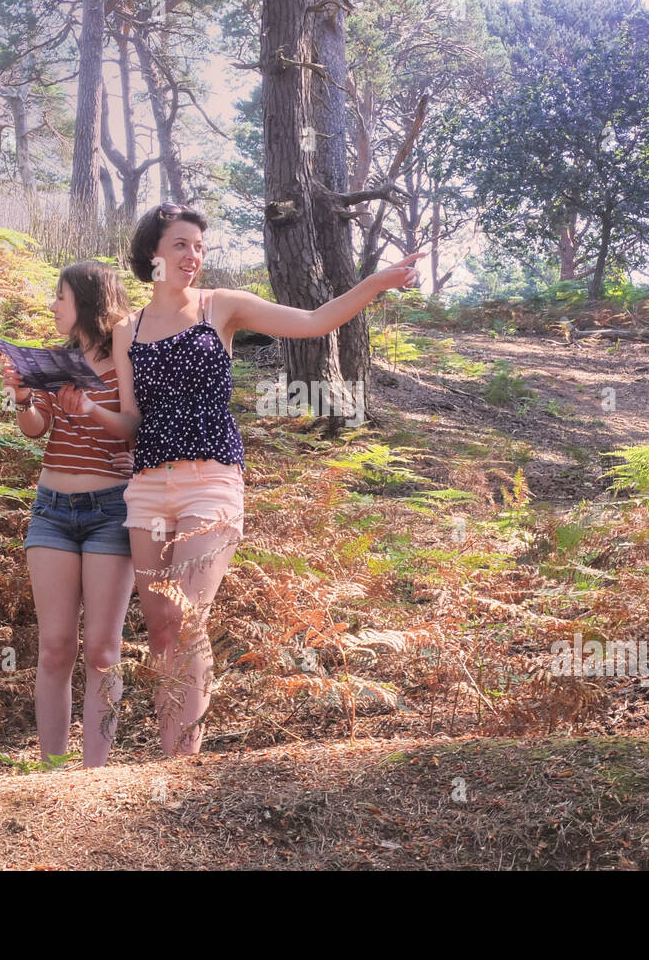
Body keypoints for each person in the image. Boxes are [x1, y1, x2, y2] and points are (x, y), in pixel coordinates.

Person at [74, 202, 424, 756]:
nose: (193, 257)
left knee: (189, 615)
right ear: (152, 254)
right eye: (181, 245)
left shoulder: (222, 307)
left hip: (211, 479)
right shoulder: (127, 330)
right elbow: (130, 422)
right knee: (161, 626)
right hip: (146, 488)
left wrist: (376, 283)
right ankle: (168, 749)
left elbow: (313, 323)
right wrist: (87, 411)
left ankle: (181, 760)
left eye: (199, 247)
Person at [0, 262, 136, 768]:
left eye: (60, 297)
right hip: (52, 510)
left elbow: (136, 430)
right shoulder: (54, 361)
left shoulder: (126, 358)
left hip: (111, 510)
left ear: (86, 300)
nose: (53, 306)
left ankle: (93, 773)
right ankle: (53, 769)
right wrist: (20, 398)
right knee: (56, 645)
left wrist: (92, 411)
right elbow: (35, 430)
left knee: (103, 648)